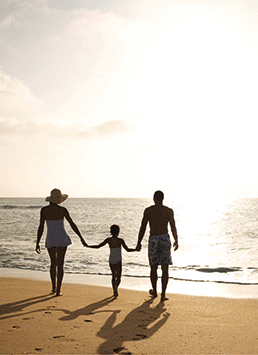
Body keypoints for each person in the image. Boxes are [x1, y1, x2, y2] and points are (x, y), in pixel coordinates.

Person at [36, 188, 87, 296]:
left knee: (52, 263)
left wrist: (37, 242)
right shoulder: (63, 210)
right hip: (62, 238)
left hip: (50, 238)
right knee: (60, 264)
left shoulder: (44, 210)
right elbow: (72, 224)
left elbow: (41, 227)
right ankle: (58, 290)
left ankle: (53, 287)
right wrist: (81, 237)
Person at [136, 190, 179, 301]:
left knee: (153, 267)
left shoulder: (149, 211)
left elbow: (143, 227)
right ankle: (163, 294)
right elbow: (173, 226)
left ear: (154, 198)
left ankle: (155, 291)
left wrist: (139, 242)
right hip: (165, 238)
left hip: (154, 239)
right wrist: (176, 240)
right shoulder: (168, 211)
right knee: (165, 268)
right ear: (162, 198)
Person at [86, 225, 137, 297]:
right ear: (118, 232)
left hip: (111, 259)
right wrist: (135, 249)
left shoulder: (108, 240)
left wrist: (88, 246)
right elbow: (128, 250)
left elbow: (98, 246)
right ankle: (116, 288)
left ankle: (114, 290)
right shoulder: (120, 240)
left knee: (113, 276)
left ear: (111, 231)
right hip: (118, 259)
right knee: (118, 277)